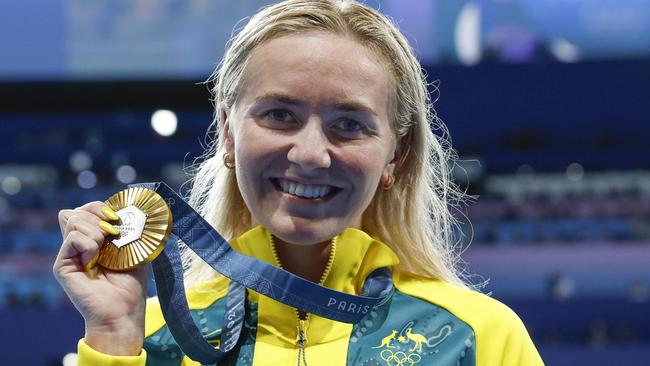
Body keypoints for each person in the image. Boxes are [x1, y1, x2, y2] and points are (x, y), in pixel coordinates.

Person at [54, 0, 543, 365]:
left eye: (349, 124)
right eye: (280, 115)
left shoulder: (476, 337)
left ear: (396, 153)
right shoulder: (145, 336)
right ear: (229, 132)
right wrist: (115, 335)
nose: (309, 154)